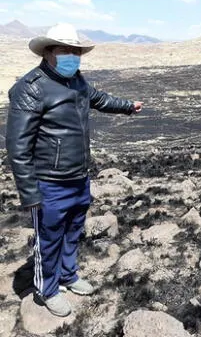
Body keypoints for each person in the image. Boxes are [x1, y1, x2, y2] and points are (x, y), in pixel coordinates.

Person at [5, 22, 143, 317]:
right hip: (49, 183)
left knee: (72, 232)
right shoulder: (30, 89)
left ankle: (68, 275)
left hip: (79, 178)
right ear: (48, 52)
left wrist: (128, 106)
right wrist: (30, 194)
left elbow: (100, 99)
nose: (72, 56)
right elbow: (17, 147)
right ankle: (48, 290)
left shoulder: (77, 81)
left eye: (76, 51)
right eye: (66, 50)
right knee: (49, 238)